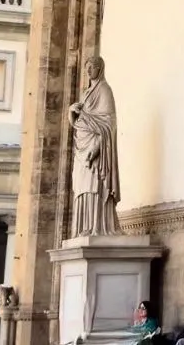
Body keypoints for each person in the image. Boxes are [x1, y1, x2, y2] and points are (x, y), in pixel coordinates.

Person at [68, 56, 122, 236]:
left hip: (96, 150)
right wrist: (71, 112)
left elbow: (108, 124)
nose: (88, 71)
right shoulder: (85, 93)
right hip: (81, 148)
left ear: (100, 69)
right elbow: (78, 122)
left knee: (95, 186)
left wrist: (97, 147)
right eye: (87, 67)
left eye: (92, 67)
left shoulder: (105, 91)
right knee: (82, 187)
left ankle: (97, 226)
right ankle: (84, 226)